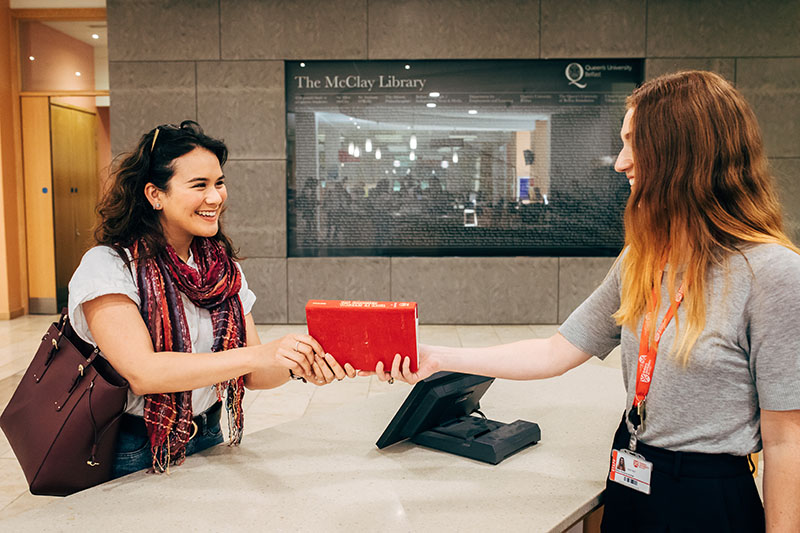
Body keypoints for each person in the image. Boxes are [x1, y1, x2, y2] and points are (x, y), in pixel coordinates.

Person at [373, 72, 800, 532]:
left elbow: (785, 442)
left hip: (706, 495)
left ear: (684, 153)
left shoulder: (773, 274)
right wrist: (436, 358)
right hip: (632, 468)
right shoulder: (642, 258)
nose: (620, 162)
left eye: (635, 143)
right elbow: (557, 349)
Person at [68, 121, 356, 478]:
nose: (215, 197)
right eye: (198, 185)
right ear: (155, 194)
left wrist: (302, 363)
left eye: (219, 183)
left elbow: (252, 374)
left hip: (209, 435)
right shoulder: (109, 267)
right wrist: (259, 353)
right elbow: (143, 372)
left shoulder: (222, 270)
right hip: (135, 448)